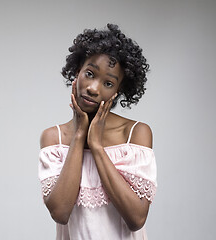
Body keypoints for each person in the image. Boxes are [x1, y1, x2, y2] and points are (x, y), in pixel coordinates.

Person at [38, 24, 157, 240]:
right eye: (90, 74)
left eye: (108, 83)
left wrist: (97, 146)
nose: (94, 88)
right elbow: (60, 212)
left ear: (118, 90)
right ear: (77, 72)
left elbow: (136, 219)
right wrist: (78, 136)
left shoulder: (135, 134)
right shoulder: (53, 138)